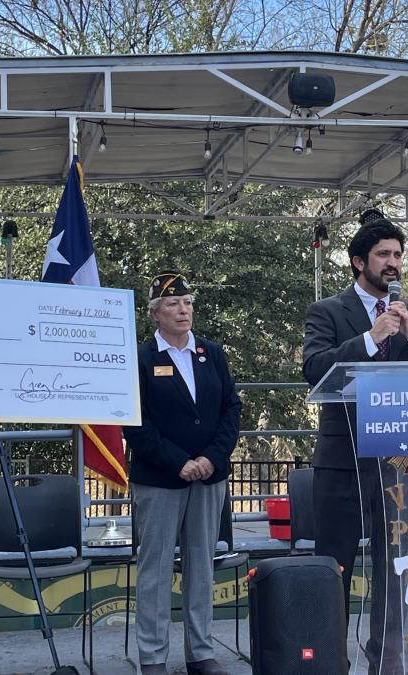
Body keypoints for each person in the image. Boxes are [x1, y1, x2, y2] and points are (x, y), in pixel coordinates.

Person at [302, 209, 408, 674]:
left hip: (398, 461)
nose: (393, 263)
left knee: (394, 569)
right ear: (357, 261)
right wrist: (370, 337)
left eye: (398, 255)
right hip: (342, 460)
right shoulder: (327, 311)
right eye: (383, 255)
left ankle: (387, 662)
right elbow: (314, 369)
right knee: (335, 568)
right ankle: (330, 661)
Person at [122, 271, 241, 675]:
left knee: (201, 566)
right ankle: (153, 657)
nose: (183, 309)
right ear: (156, 313)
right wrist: (179, 461)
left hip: (210, 477)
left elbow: (231, 409)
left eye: (188, 302)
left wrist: (211, 457)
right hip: (159, 479)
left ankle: (200, 653)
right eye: (173, 304)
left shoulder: (211, 352)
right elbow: (135, 423)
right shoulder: (141, 358)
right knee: (154, 570)